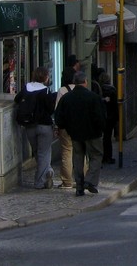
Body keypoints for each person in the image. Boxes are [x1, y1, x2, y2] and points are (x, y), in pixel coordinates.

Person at [54, 71, 106, 196]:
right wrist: (100, 129)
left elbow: (59, 117)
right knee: (96, 155)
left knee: (78, 158)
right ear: (85, 82)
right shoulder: (93, 97)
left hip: (75, 133)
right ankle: (90, 180)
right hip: (93, 133)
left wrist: (66, 127)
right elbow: (101, 117)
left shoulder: (67, 98)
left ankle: (79, 186)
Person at [14, 66, 55, 189]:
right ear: (46, 77)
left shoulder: (26, 88)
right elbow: (50, 109)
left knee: (37, 152)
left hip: (29, 126)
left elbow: (17, 99)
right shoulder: (46, 91)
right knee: (44, 153)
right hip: (44, 126)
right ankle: (40, 180)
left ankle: (46, 171)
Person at [54, 56, 80, 189]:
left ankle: (67, 181)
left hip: (65, 126)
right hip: (79, 125)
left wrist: (57, 126)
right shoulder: (81, 89)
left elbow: (57, 109)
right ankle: (82, 179)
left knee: (66, 152)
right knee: (80, 151)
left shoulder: (62, 91)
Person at [99, 72, 119, 164]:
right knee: (108, 138)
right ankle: (108, 157)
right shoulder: (113, 90)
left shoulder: (98, 89)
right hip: (111, 117)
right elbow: (115, 105)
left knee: (102, 138)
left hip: (101, 116)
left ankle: (102, 156)